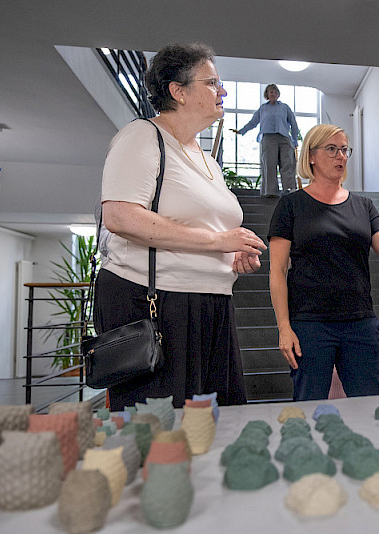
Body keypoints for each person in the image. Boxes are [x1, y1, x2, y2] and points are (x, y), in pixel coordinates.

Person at [95, 42, 267, 410]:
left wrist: (232, 252)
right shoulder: (142, 136)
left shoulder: (206, 158)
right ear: (178, 91)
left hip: (210, 302)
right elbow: (120, 216)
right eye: (212, 82)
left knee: (218, 425)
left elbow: (206, 228)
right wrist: (217, 240)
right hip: (155, 302)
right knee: (161, 433)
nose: (223, 91)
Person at [268, 124, 379, 401]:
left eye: (345, 150)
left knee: (369, 404)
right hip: (310, 324)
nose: (341, 157)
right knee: (309, 407)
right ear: (311, 156)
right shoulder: (291, 206)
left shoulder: (363, 205)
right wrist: (284, 328)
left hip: (359, 323)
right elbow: (277, 272)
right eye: (332, 149)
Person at [232, 84, 300, 197]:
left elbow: (293, 124)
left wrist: (295, 141)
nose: (273, 94)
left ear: (278, 94)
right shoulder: (263, 108)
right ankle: (270, 192)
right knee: (269, 164)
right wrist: (242, 131)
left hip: (284, 138)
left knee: (287, 164)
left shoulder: (284, 107)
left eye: (275, 92)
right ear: (267, 95)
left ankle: (289, 189)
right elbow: (253, 122)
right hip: (268, 138)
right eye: (270, 92)